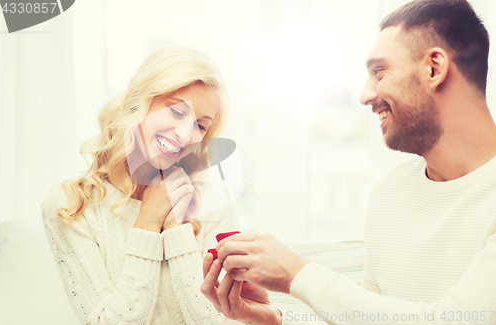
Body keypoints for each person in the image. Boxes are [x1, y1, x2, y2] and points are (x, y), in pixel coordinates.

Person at [201, 0, 496, 324]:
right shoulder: (391, 193)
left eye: (380, 72)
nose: (365, 95)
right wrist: (276, 318)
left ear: (434, 68)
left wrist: (297, 273)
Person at [42, 46, 248, 324]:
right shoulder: (71, 204)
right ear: (139, 103)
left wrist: (177, 230)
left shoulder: (214, 198)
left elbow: (221, 321)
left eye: (201, 125)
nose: (186, 134)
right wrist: (148, 223)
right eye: (176, 112)